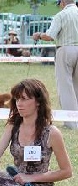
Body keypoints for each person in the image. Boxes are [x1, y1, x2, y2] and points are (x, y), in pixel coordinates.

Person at [32, 0, 78, 130]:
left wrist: (38, 35)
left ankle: (71, 122)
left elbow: (50, 36)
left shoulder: (61, 15)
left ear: (63, 2)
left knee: (65, 87)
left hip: (65, 49)